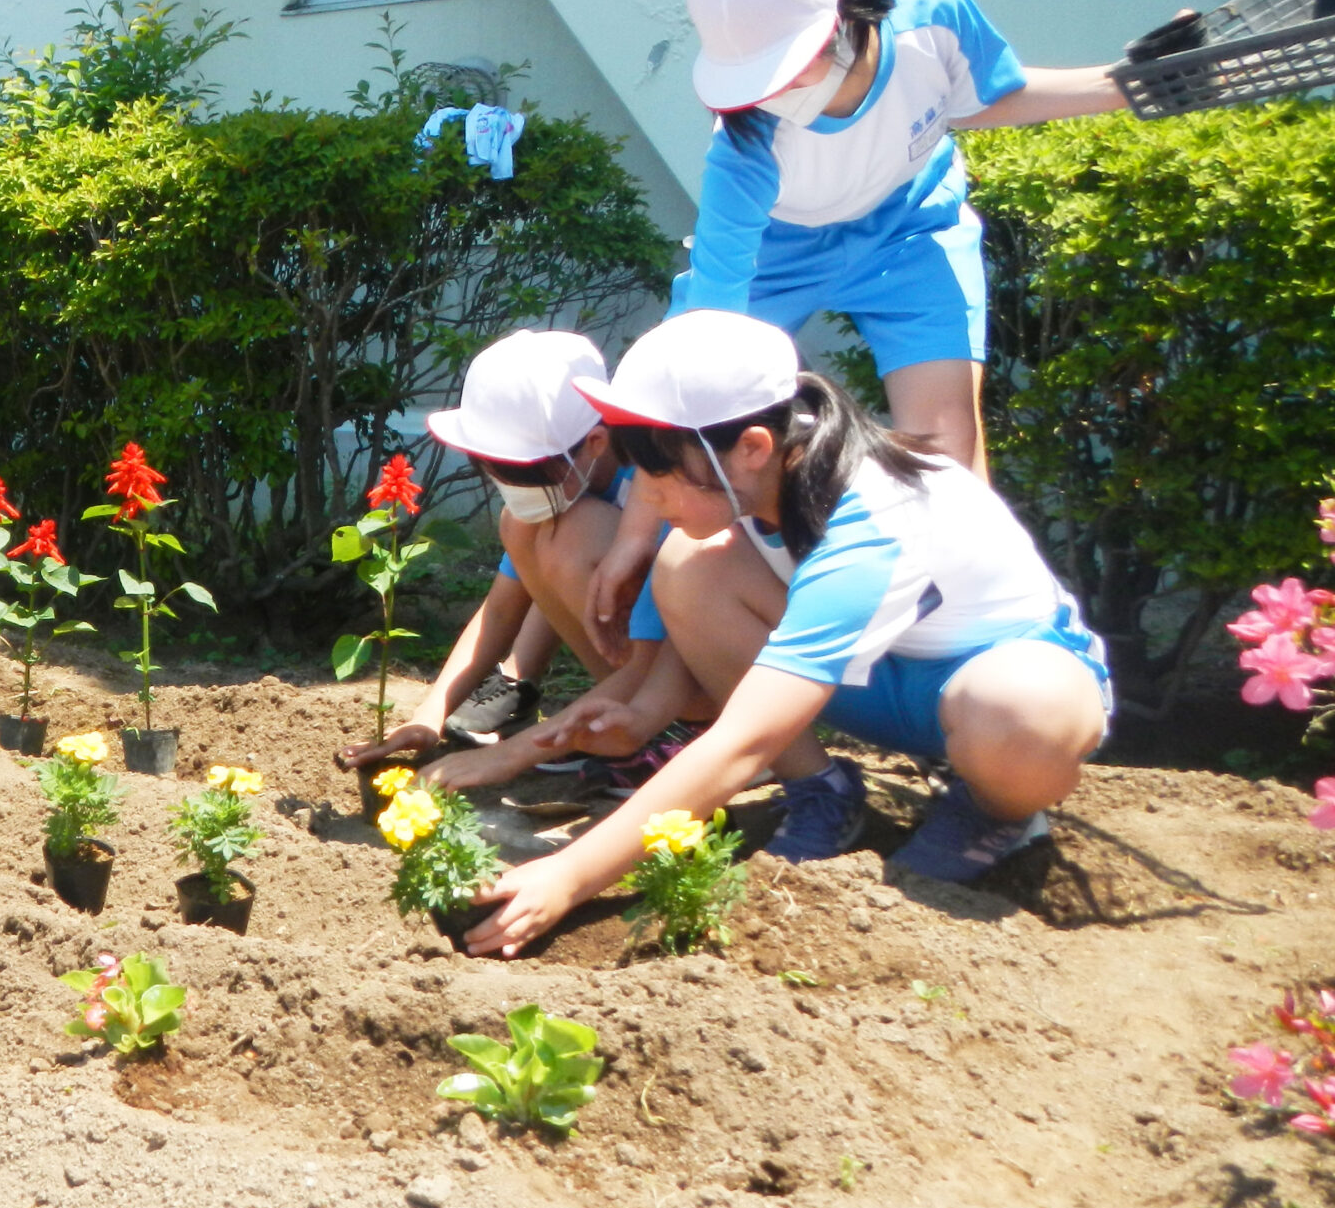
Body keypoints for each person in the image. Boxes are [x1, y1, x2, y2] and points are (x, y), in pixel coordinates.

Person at [457, 311, 1110, 960]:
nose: (645, 497)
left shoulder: (873, 516)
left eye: (659, 472)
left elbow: (745, 740)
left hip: (995, 689)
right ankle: (821, 791)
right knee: (689, 566)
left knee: (1021, 708)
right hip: (883, 685)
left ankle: (996, 813)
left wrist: (569, 875)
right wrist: (642, 710)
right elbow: (712, 651)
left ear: (751, 448)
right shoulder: (770, 479)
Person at [671, 0, 1127, 479]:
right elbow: (716, 324)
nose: (770, 92)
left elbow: (988, 95)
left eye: (787, 65)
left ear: (849, 11)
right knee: (685, 437)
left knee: (947, 446)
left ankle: (961, 571)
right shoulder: (747, 136)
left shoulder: (934, 16)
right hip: (776, 252)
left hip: (910, 228)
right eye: (754, 77)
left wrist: (1125, 84)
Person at [342, 332, 677, 790]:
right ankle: (625, 714)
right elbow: (501, 609)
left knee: (570, 534)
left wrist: (513, 754)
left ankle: (671, 729)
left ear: (597, 441)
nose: (506, 481)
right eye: (493, 465)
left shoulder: (661, 487)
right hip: (635, 671)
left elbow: (668, 659)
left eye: (522, 470)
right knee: (520, 524)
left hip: (682, 677)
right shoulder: (564, 495)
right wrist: (430, 715)